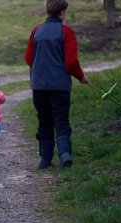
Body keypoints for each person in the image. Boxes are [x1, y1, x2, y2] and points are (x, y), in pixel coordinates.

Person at [24, 0, 89, 169]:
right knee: (61, 119)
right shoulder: (65, 32)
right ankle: (65, 154)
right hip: (59, 86)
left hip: (39, 86)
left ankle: (45, 159)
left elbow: (28, 58)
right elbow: (71, 62)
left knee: (44, 120)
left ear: (47, 11)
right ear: (62, 13)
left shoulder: (36, 30)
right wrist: (80, 76)